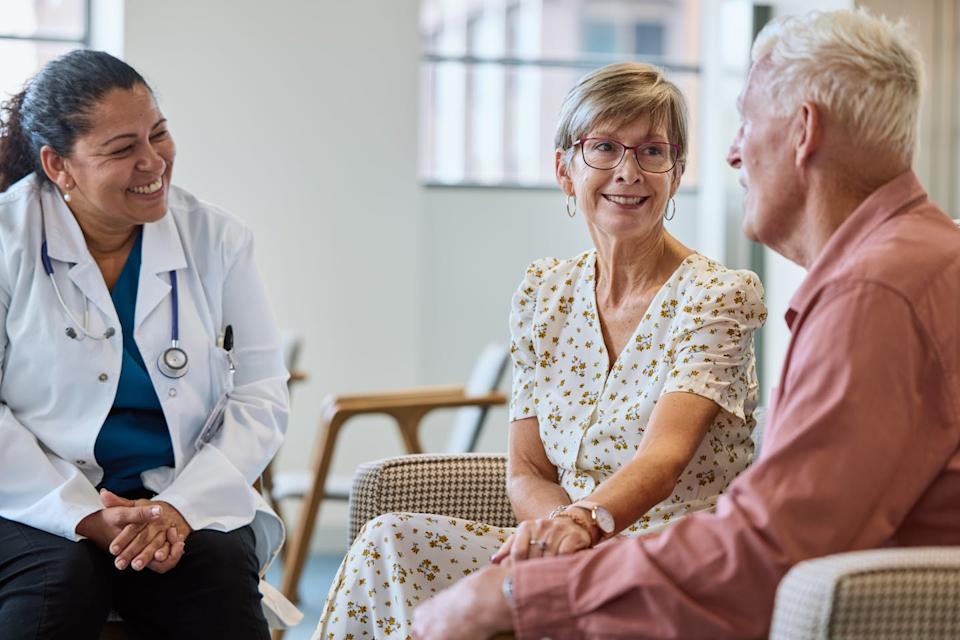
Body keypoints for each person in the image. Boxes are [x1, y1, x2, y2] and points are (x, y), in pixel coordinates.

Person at [411, 8, 960, 640]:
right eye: (605, 148)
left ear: (803, 131)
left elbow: (765, 549)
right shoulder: (913, 262)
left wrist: (519, 594)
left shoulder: (876, 291)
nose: (733, 153)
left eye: (745, 121)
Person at [316, 62, 766, 639]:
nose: (628, 172)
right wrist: (560, 537)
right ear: (564, 170)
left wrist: (583, 522)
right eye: (604, 147)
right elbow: (527, 469)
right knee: (390, 540)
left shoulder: (718, 296)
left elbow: (663, 458)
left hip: (668, 560)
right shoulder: (543, 293)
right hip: (568, 547)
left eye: (652, 151)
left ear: (675, 174)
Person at [0, 50, 292, 639]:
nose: (153, 161)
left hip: (175, 492)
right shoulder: (8, 239)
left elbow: (260, 393)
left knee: (215, 576)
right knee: (58, 582)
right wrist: (81, 514)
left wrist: (180, 509)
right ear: (59, 166)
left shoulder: (216, 238)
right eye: (121, 148)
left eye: (158, 133)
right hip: (28, 493)